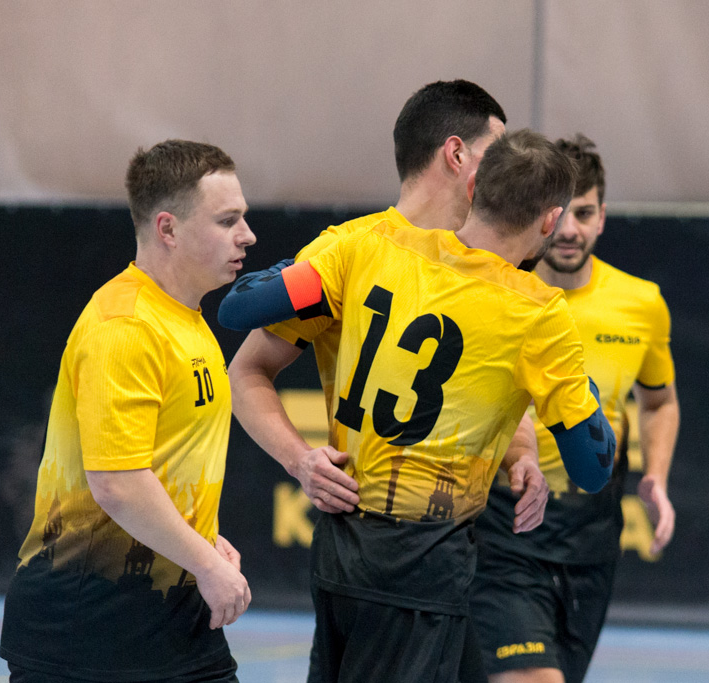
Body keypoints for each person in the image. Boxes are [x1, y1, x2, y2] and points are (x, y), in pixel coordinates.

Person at [219, 129, 615, 683]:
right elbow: (592, 468)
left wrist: (519, 449)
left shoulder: (370, 245)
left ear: (474, 188)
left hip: (340, 543)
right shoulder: (539, 313)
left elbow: (237, 309)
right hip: (424, 561)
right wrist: (580, 389)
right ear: (550, 220)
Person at [222, 80, 547, 531]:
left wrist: (523, 455)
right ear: (456, 155)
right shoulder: (349, 250)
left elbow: (492, 385)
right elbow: (246, 370)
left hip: (465, 536)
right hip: (362, 534)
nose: (506, 168)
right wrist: (300, 460)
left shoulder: (497, 265)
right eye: (495, 153)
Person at [0, 140, 256, 682]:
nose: (247, 235)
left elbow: (159, 463)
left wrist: (200, 537)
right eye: (227, 220)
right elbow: (116, 482)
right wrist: (207, 563)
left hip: (170, 617)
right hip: (88, 628)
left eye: (243, 217)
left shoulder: (184, 317)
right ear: (168, 229)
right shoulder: (126, 327)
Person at [467, 134, 681, 683]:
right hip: (503, 528)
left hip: (591, 542)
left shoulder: (642, 303)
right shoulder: (497, 293)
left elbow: (659, 402)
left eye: (584, 213)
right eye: (560, 213)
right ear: (541, 217)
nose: (569, 229)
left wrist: (656, 477)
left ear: (602, 217)